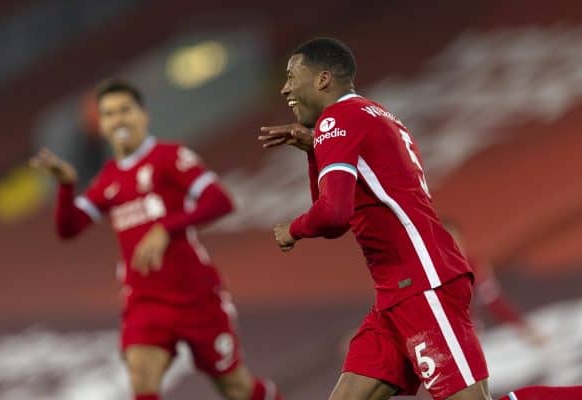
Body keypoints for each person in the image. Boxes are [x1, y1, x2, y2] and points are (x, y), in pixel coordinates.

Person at [258, 37, 582, 400]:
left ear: (322, 79)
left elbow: (333, 215)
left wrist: (293, 229)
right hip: (396, 293)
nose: (285, 88)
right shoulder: (373, 115)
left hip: (421, 283)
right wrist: (315, 149)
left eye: (291, 76)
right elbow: (344, 206)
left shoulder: (339, 119)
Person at [32, 79, 283, 400]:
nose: (118, 119)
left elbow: (219, 200)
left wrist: (166, 227)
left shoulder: (169, 157)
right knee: (142, 378)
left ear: (143, 115)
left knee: (237, 389)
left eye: (125, 110)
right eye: (109, 114)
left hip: (196, 297)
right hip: (145, 300)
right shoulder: (108, 178)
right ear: (102, 126)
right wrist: (66, 186)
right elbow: (69, 228)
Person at [443, 220, 546, 345]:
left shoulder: (473, 267)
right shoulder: (429, 270)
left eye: (453, 239)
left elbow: (494, 301)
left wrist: (522, 327)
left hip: (465, 338)